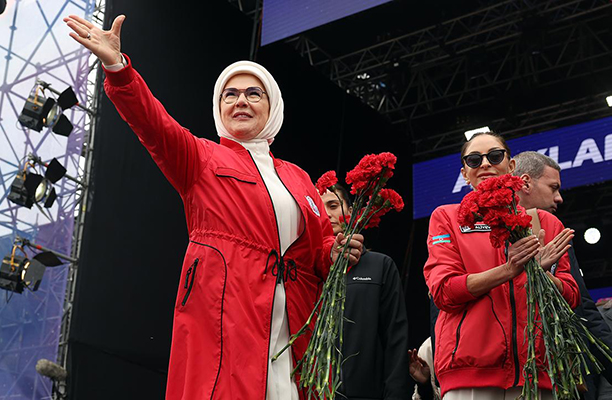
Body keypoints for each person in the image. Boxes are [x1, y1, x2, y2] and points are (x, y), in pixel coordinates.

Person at [64, 14, 365, 400]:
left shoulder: (300, 178)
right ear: (218, 106)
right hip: (228, 318)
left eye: (253, 93)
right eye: (230, 94)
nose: (241, 101)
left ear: (272, 106)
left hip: (295, 328)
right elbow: (153, 124)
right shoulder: (201, 158)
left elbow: (319, 250)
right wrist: (119, 69)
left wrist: (335, 253)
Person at [423, 132, 579, 399]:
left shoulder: (545, 223)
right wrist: (509, 269)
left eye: (495, 156)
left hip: (539, 372)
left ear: (511, 165)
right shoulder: (446, 217)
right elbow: (444, 291)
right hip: (471, 375)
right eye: (474, 160)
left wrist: (540, 274)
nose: (485, 164)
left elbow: (572, 298)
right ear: (464, 173)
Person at [513, 151, 612, 400]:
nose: (559, 197)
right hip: (507, 376)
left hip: (563, 375)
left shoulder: (556, 232)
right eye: (553, 187)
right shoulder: (480, 231)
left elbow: (582, 309)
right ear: (525, 183)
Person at [320, 184, 411, 399]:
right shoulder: (302, 270)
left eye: (333, 206)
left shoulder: (380, 266)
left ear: (351, 211)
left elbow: (395, 338)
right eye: (320, 208)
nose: (327, 214)